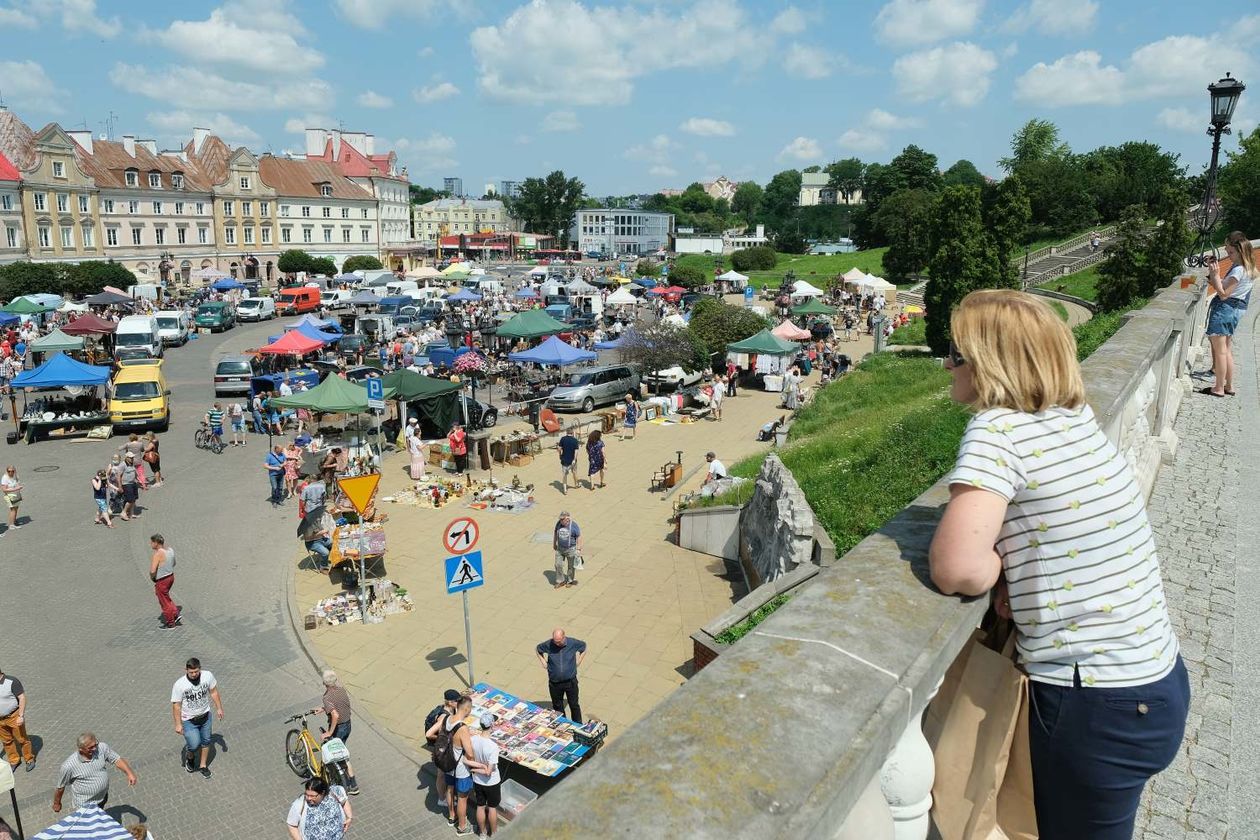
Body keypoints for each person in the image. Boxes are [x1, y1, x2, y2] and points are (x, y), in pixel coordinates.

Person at [928, 289, 1188, 839]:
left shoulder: (999, 431)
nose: (947, 362)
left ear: (989, 362)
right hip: (1152, 683)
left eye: (956, 350)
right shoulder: (1074, 418)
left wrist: (999, 566)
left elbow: (956, 569)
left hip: (1095, 704)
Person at [1202, 231, 1254, 397]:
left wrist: (1216, 274)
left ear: (1239, 251)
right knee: (1226, 349)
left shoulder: (1238, 270)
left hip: (1225, 310)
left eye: (1230, 252)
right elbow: (1221, 285)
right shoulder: (1248, 268)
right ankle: (1229, 386)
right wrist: (1213, 274)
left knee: (1221, 351)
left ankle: (1218, 388)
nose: (1228, 255)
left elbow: (1224, 293)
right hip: (1234, 310)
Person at [423, 694, 480, 836]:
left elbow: (430, 733)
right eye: (470, 709)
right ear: (466, 709)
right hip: (460, 768)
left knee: (450, 789)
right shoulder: (462, 728)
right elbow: (469, 753)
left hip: (447, 763)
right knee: (462, 797)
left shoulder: (447, 718)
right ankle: (462, 827)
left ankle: (451, 816)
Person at [52, 733, 138, 812]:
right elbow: (60, 787)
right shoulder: (68, 766)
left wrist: (129, 773)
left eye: (95, 744)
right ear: (81, 749)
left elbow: (116, 759)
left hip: (102, 797)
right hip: (85, 805)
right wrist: (57, 803)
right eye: (90, 748)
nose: (95, 748)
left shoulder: (102, 748)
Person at [170, 657, 224, 778]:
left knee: (206, 742)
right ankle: (190, 756)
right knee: (194, 744)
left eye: (196, 671)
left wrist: (219, 708)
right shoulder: (179, 685)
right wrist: (178, 724)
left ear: (200, 668)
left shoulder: (208, 676)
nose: (194, 674)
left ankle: (203, 765)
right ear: (186, 670)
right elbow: (176, 705)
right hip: (189, 720)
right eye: (191, 672)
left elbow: (214, 692)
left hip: (205, 716)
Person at [319, 670, 360, 795]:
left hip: (339, 728)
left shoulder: (326, 697)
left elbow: (335, 715)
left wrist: (329, 732)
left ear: (324, 683)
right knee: (343, 752)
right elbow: (339, 704)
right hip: (348, 725)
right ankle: (351, 781)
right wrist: (323, 709)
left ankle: (350, 784)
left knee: (337, 754)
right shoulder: (342, 690)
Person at [536, 628, 586, 723]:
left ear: (564, 637)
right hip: (555, 683)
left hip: (570, 682)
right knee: (557, 706)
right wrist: (543, 661)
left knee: (574, 704)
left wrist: (579, 661)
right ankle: (562, 724)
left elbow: (584, 647)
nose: (557, 644)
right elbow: (538, 649)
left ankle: (578, 724)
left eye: (559, 642)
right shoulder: (549, 644)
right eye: (555, 642)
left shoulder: (573, 643)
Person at [426, 689, 462, 814]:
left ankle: (446, 794)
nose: (459, 702)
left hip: (441, 748)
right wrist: (445, 739)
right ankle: (442, 799)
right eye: (457, 701)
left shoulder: (448, 710)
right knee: (441, 774)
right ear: (450, 702)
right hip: (442, 750)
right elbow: (429, 734)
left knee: (443, 773)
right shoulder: (443, 716)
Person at [285, 777, 352, 840]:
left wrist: (349, 817)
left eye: (312, 796)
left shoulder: (335, 792)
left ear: (322, 793)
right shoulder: (299, 804)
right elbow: (291, 824)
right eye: (307, 794)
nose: (308, 798)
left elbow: (344, 800)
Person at [470, 713, 502, 838]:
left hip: (477, 781)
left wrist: (474, 769)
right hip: (491, 782)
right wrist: (478, 769)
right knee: (492, 808)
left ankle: (482, 833)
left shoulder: (473, 740)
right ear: (492, 725)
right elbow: (489, 771)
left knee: (480, 806)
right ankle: (494, 833)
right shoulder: (493, 747)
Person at [0, 666, 34, 771]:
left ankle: (29, 759)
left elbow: (22, 697)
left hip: (13, 716)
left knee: (22, 739)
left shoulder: (12, 681)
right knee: (6, 741)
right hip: (0, 720)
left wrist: (21, 716)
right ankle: (14, 760)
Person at [150, 533, 181, 629]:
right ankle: (175, 613)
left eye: (152, 542)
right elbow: (174, 563)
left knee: (163, 601)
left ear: (156, 543)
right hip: (171, 577)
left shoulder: (158, 554)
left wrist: (153, 578)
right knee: (166, 597)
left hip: (162, 580)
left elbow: (152, 571)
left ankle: (170, 622)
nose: (150, 544)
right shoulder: (170, 550)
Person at [552, 511, 581, 589]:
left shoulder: (574, 526)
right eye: (560, 519)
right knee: (558, 564)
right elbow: (555, 532)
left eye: (562, 519)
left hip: (570, 549)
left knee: (571, 566)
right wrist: (554, 543)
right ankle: (560, 580)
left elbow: (578, 537)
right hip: (560, 548)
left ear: (567, 519)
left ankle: (570, 580)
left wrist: (578, 548)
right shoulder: (558, 524)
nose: (560, 521)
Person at [557, 428, 580, 493]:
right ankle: (576, 484)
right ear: (572, 433)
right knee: (574, 472)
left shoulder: (563, 439)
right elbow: (576, 451)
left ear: (566, 432)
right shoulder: (575, 440)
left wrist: (560, 455)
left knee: (564, 475)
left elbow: (559, 449)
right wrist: (574, 459)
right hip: (572, 460)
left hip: (564, 460)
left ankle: (565, 490)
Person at [119, 453, 140, 521]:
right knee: (130, 500)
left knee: (134, 499)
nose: (132, 459)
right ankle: (123, 512)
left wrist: (138, 479)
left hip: (133, 483)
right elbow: (118, 476)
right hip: (126, 484)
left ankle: (131, 514)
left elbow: (134, 472)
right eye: (130, 457)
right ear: (126, 457)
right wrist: (120, 486)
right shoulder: (122, 465)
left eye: (132, 457)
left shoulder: (132, 463)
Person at [1, 465, 21, 532]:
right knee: (13, 509)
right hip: (9, 496)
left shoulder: (15, 475)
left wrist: (18, 490)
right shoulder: (5, 478)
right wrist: (16, 488)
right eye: (9, 471)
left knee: (16, 508)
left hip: (16, 495)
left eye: (12, 471)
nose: (11, 472)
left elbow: (17, 483)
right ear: (7, 471)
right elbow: (4, 490)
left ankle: (14, 521)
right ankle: (11, 525)